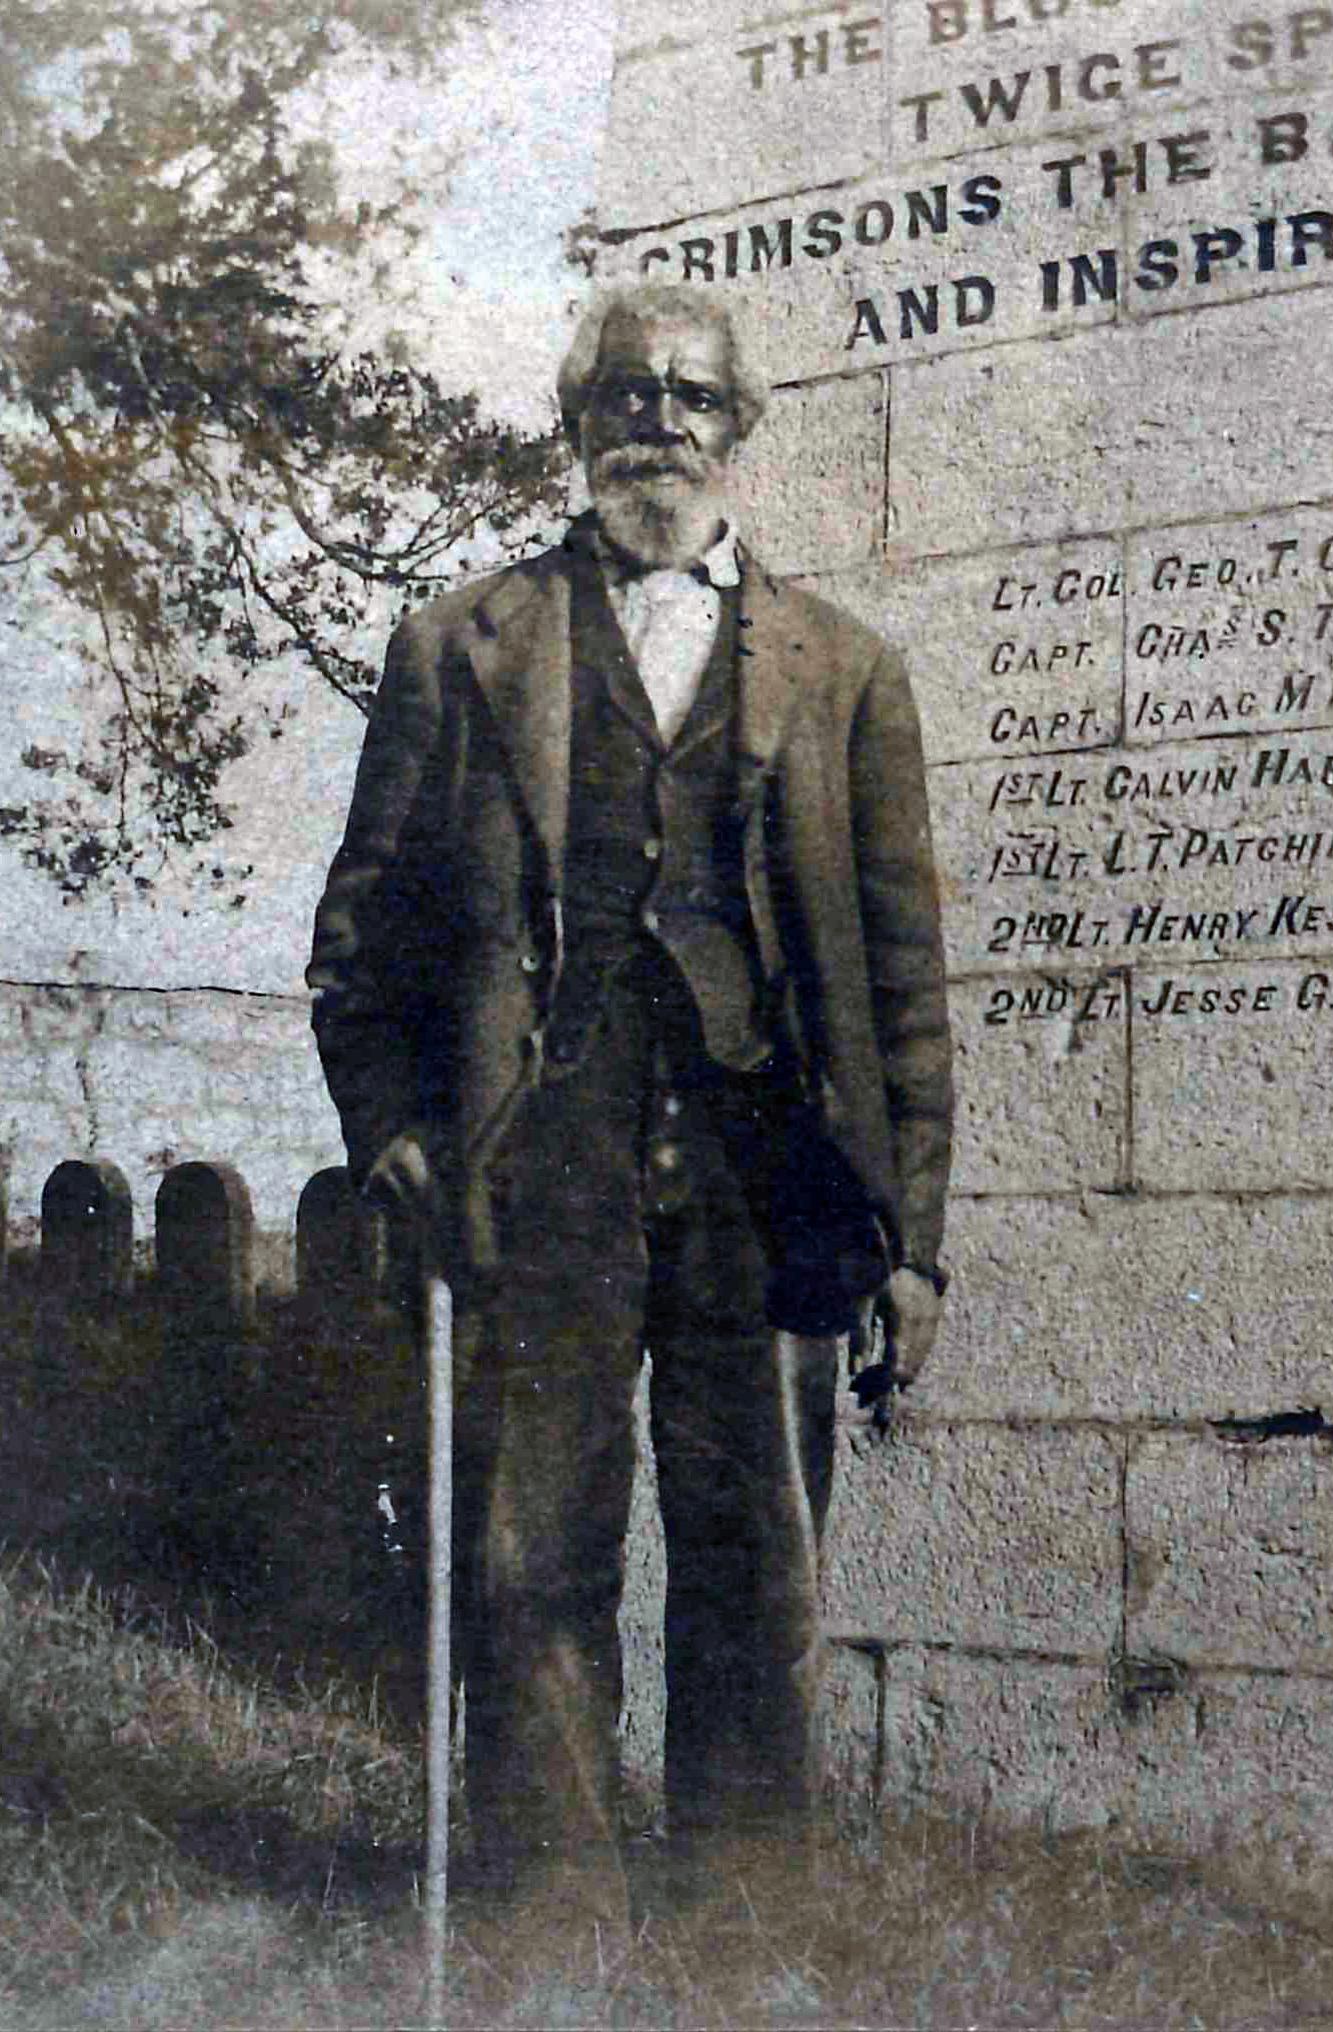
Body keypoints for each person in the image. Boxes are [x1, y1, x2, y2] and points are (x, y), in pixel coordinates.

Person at [306, 282, 953, 1937]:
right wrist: (391, 1129)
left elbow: (898, 986)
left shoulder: (847, 668)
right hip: (545, 1169)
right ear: (573, 427)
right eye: (621, 396)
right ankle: (553, 1938)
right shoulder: (459, 642)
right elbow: (362, 928)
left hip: (767, 1176)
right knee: (535, 1565)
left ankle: (739, 1936)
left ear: (740, 429)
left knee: (753, 1574)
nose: (653, 426)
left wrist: (913, 1242)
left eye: (688, 398)